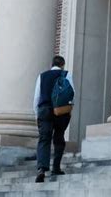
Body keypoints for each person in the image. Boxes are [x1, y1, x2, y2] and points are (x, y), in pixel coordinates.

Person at [33, 55, 75, 183]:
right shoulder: (66, 74)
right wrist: (70, 110)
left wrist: (37, 114)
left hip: (44, 110)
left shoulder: (42, 76)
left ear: (52, 64)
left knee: (44, 139)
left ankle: (42, 169)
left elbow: (36, 97)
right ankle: (56, 167)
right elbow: (72, 93)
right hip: (61, 111)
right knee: (59, 138)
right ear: (63, 64)